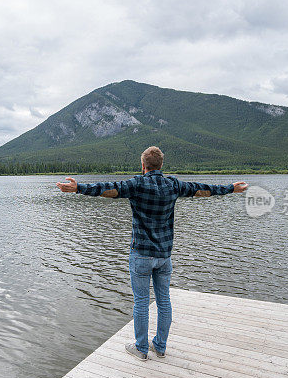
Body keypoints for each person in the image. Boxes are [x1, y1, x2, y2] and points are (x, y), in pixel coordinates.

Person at [56, 146, 248, 360]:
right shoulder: (173, 185)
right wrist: (231, 188)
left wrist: (78, 188)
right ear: (161, 165)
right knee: (164, 300)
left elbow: (108, 188)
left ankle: (141, 348)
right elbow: (202, 189)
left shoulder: (137, 184)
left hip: (141, 254)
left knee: (141, 301)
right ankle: (161, 346)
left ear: (143, 165)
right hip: (164, 255)